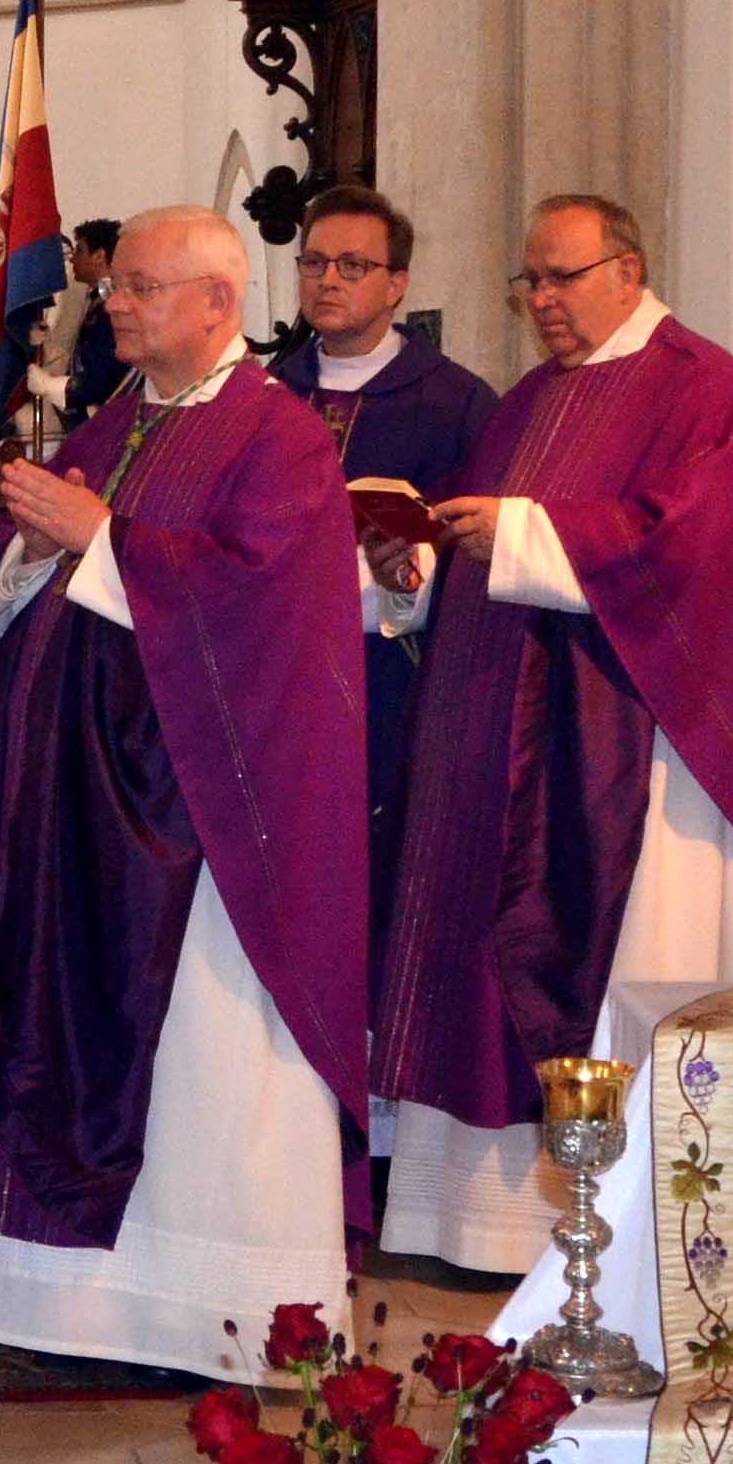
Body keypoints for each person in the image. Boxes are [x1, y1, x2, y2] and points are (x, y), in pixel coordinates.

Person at [0, 208, 368, 1377]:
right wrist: (33, 547)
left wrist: (100, 541)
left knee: (200, 1069)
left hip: (200, 819)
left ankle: (212, 1311)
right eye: (115, 288)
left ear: (214, 304)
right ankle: (69, 1305)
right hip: (77, 806)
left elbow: (263, 607)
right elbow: (14, 563)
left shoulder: (274, 436)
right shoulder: (112, 424)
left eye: (138, 288)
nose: (113, 306)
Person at [368, 194, 733, 1275]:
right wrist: (415, 562)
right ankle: (464, 1223)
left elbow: (696, 549)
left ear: (626, 268)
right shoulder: (526, 402)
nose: (540, 301)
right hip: (490, 730)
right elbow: (479, 533)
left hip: (622, 746)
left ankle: (607, 1229)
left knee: (609, 954)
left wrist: (517, 531)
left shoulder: (701, 386)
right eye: (528, 282)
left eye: (558, 278)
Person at [269, 185, 492, 930]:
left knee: (378, 880)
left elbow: (482, 552)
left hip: (393, 684)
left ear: (398, 285)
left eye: (353, 266)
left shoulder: (455, 404)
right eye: (316, 262)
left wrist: (413, 574)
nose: (328, 280)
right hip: (274, 674)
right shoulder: (266, 396)